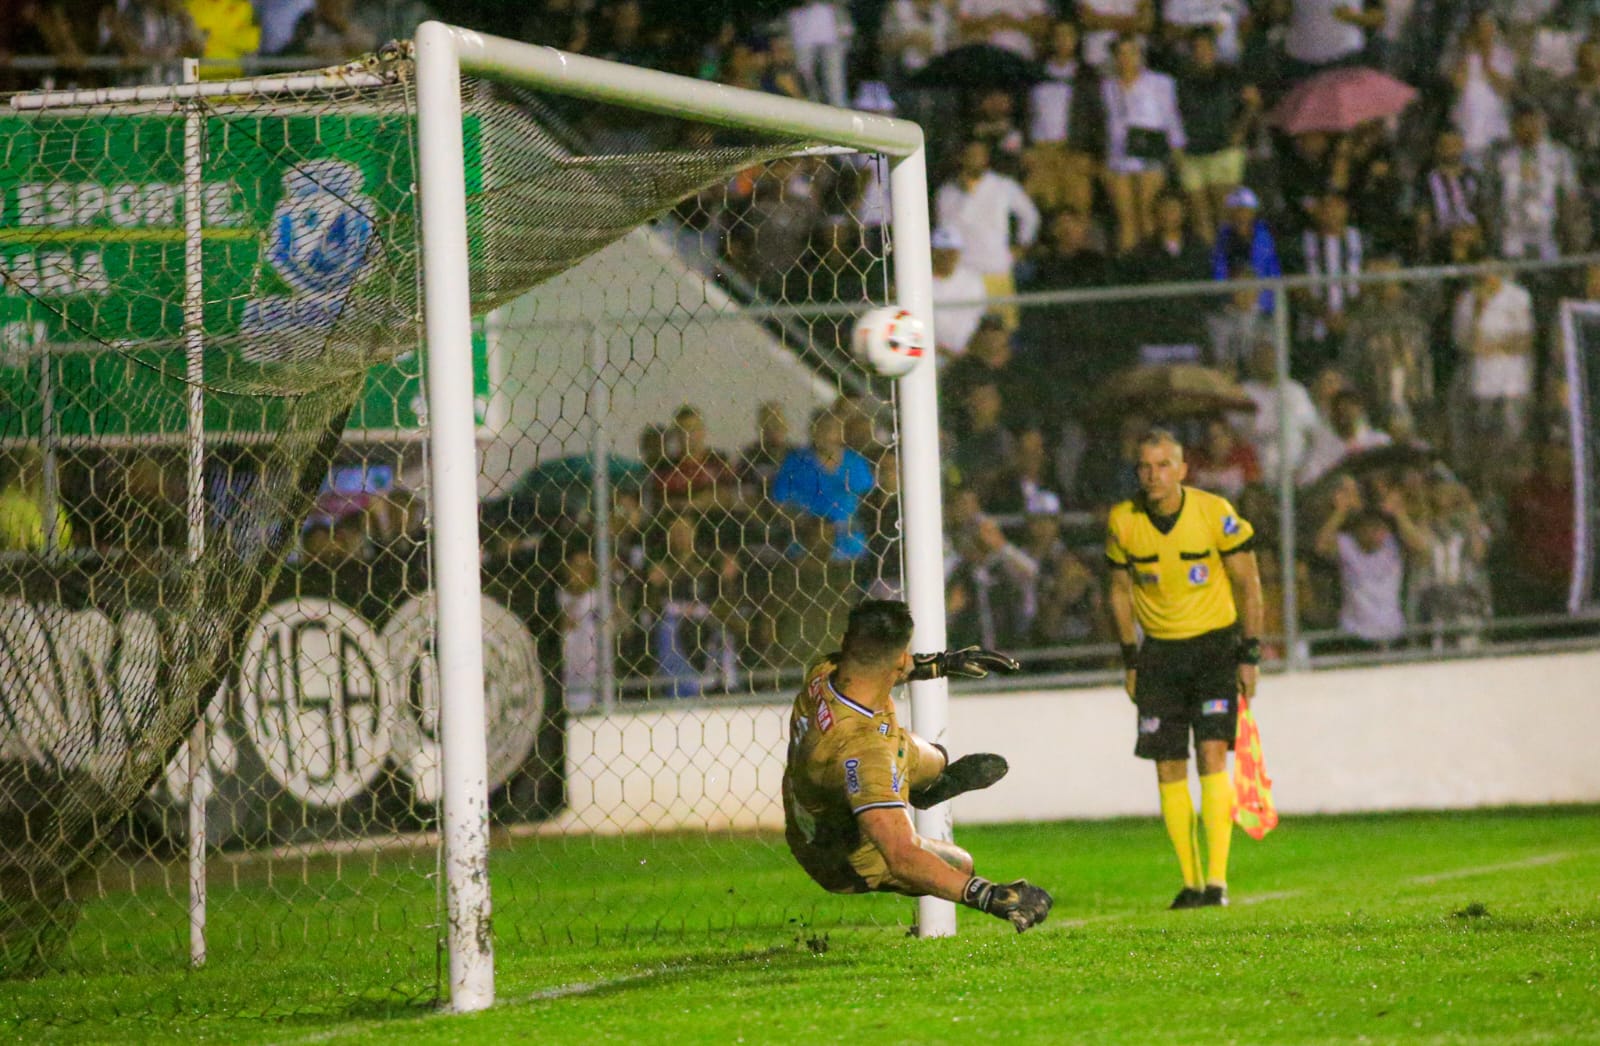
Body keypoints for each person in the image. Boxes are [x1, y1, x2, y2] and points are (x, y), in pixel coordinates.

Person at [781, 598, 1053, 931]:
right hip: (843, 859)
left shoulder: (824, 671)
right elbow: (900, 855)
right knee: (961, 865)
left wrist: (945, 662)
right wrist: (988, 895)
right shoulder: (864, 756)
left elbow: (885, 663)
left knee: (935, 756)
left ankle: (930, 785)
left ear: (845, 641)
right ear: (897, 660)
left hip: (847, 768)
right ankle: (922, 787)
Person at [1105, 427, 1263, 909]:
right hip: (1159, 656)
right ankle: (1191, 883)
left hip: (1214, 649)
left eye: (1163, 465)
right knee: (1167, 764)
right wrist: (1130, 657)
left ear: (1183, 469)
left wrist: (1249, 653)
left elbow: (1249, 583)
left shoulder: (1214, 513)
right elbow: (1118, 590)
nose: (1153, 476)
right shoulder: (1124, 520)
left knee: (1212, 754)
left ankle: (1217, 883)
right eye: (1144, 467)